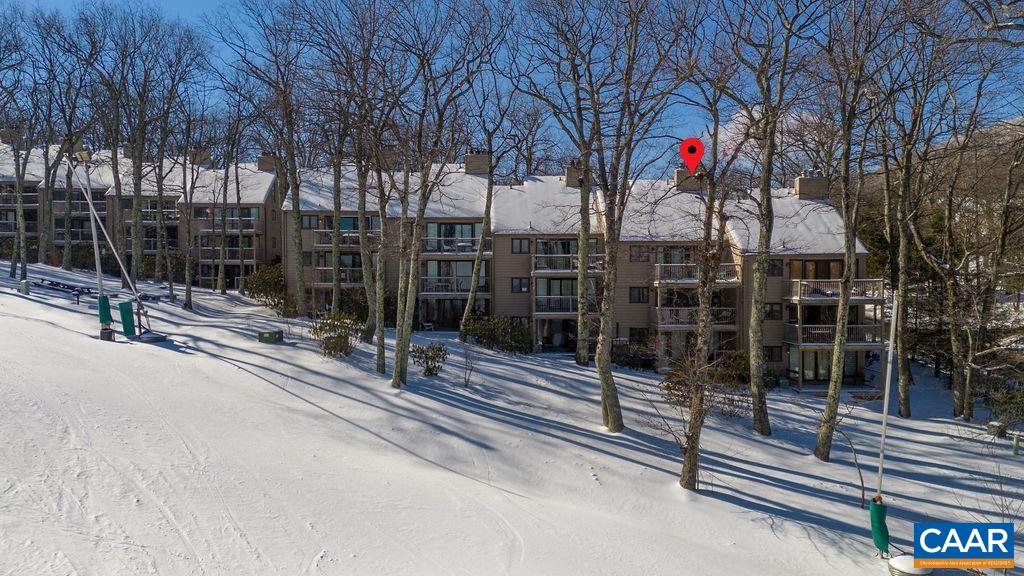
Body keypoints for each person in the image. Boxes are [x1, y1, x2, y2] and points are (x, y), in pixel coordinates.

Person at [870, 494, 890, 559]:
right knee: (879, 536)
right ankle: (880, 552)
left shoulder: (878, 505)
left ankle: (881, 551)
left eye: (880, 500)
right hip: (877, 525)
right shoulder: (874, 506)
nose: (880, 502)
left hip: (879, 524)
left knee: (881, 536)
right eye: (878, 500)